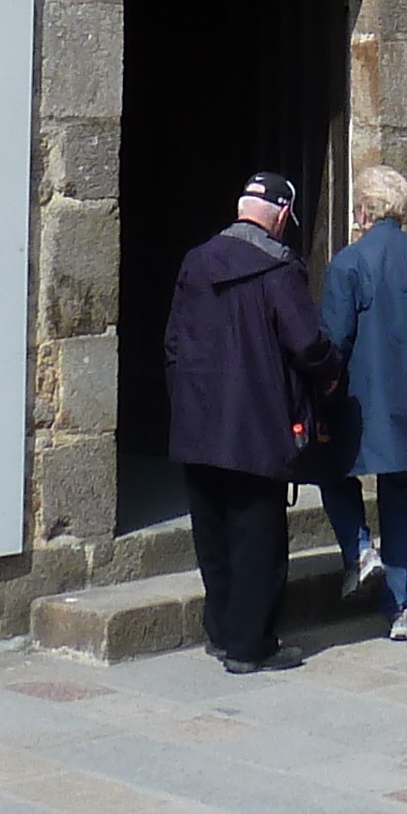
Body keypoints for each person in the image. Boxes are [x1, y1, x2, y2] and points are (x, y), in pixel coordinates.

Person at [163, 169, 336, 673]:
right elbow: (306, 344)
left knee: (212, 536)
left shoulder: (195, 263)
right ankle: (249, 643)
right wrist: (332, 372)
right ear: (282, 216)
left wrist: (185, 403)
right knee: (258, 539)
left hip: (198, 427)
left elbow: (173, 344)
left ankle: (221, 631)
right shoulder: (278, 269)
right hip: (256, 427)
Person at [313, 166, 407, 641]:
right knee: (403, 505)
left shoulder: (349, 263)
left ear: (363, 210)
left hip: (363, 402)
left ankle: (359, 549)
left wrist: (315, 397)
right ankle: (401, 608)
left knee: (328, 467)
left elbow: (333, 344)